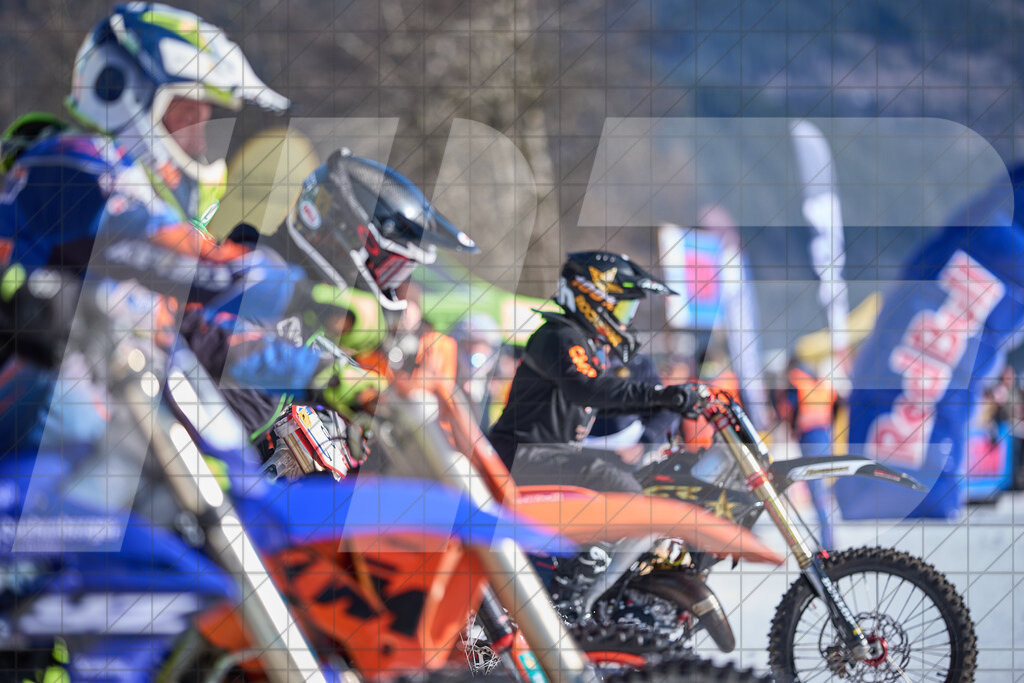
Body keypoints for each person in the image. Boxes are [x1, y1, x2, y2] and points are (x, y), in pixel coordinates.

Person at [487, 250, 706, 618]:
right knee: (627, 494)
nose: (626, 319)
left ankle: (587, 586)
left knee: (633, 486)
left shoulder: (584, 342)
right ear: (592, 300)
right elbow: (589, 389)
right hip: (522, 457)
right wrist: (661, 395)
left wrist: (668, 403)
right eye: (622, 309)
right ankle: (573, 600)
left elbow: (612, 396)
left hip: (542, 458)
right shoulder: (558, 335)